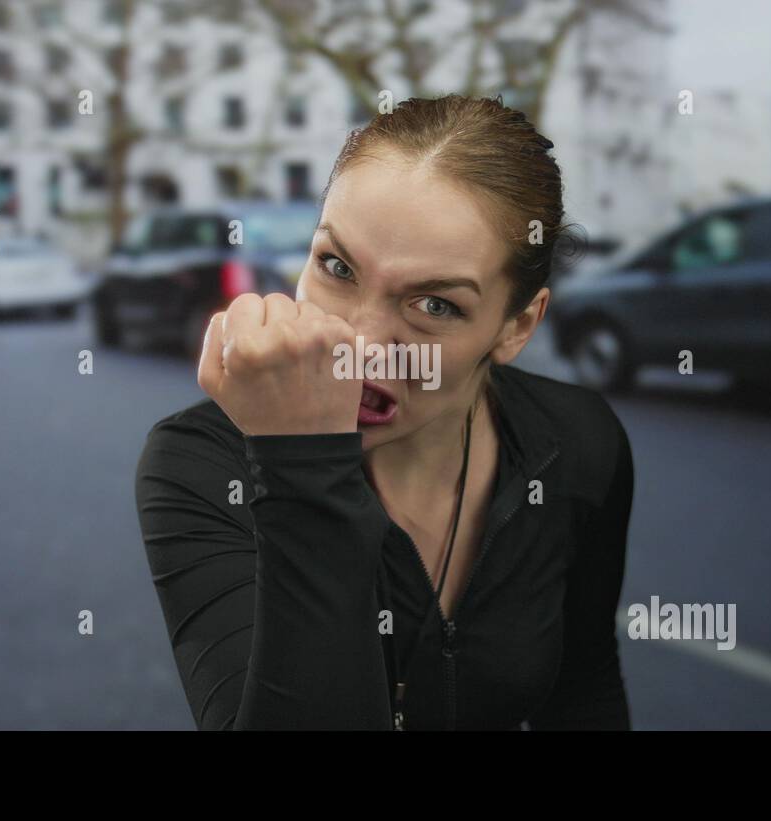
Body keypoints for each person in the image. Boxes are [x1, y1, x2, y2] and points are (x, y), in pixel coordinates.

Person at [135, 94, 635, 730]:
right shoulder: (202, 462)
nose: (361, 346)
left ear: (516, 327)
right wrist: (298, 460)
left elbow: (585, 684)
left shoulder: (578, 442)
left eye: (434, 305)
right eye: (337, 266)